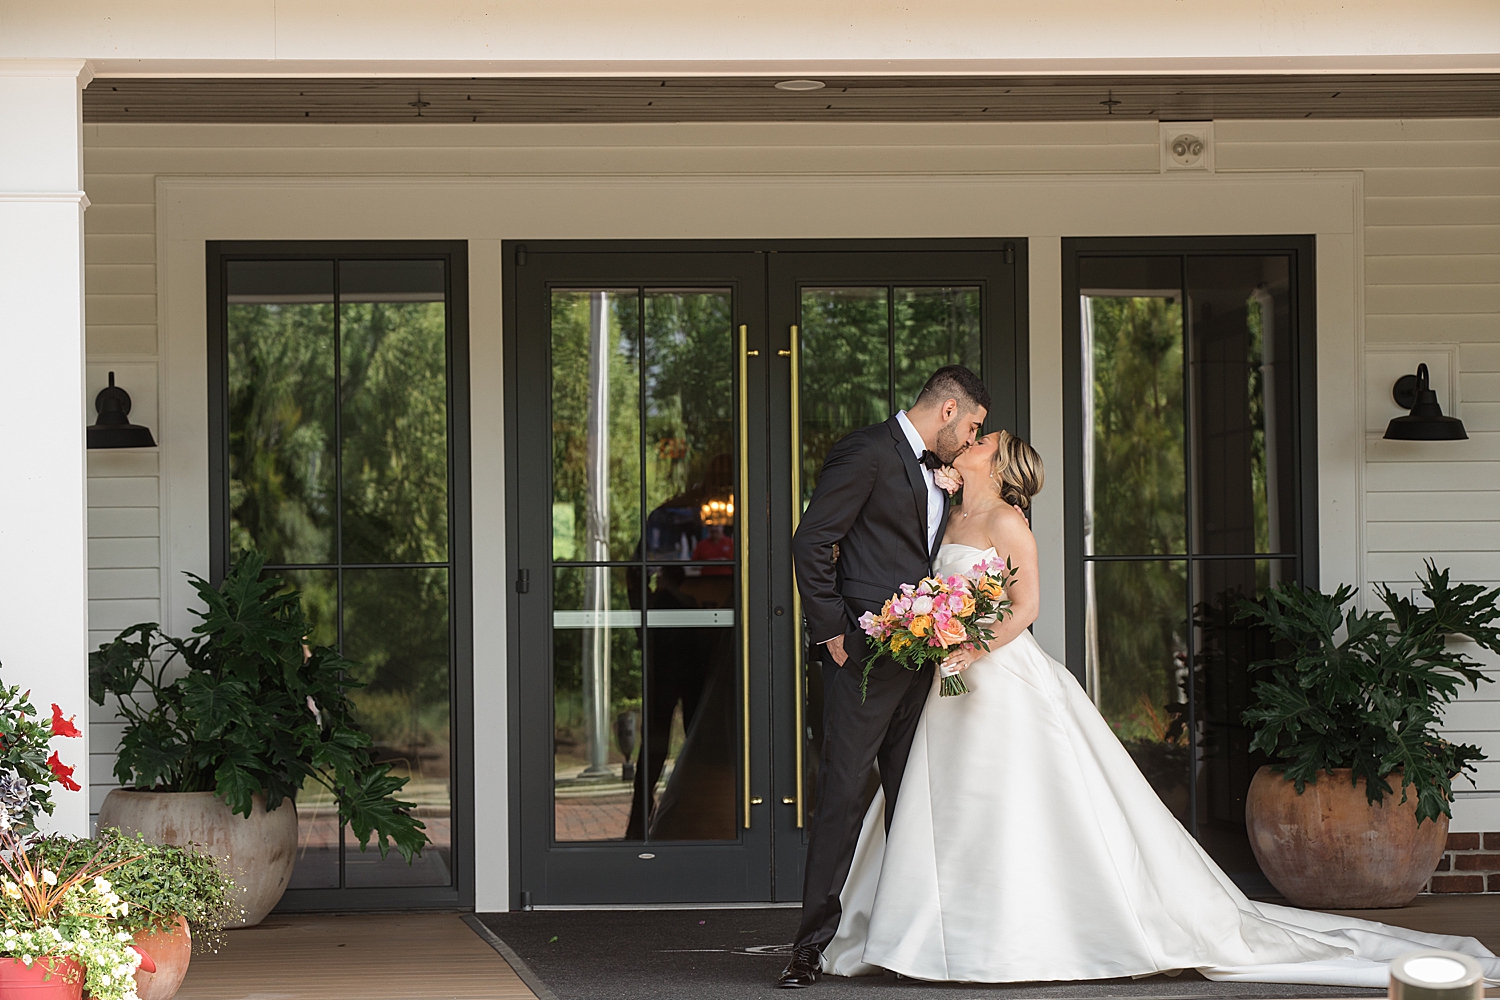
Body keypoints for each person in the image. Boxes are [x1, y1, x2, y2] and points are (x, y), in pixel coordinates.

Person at [818, 430, 1500, 987]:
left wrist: (970, 646)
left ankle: (1020, 932)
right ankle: (923, 933)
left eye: (979, 438)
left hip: (995, 675)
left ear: (994, 461)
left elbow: (1025, 610)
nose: (965, 440)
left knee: (1013, 803)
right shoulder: (948, 510)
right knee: (938, 803)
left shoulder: (1006, 521)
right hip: (944, 684)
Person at [779, 365, 989, 989]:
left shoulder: (936, 473)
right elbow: (811, 542)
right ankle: (807, 948)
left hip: (919, 662)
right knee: (844, 797)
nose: (972, 440)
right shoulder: (867, 451)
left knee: (913, 799)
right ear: (947, 410)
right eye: (972, 426)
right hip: (865, 660)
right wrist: (831, 630)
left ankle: (912, 942)